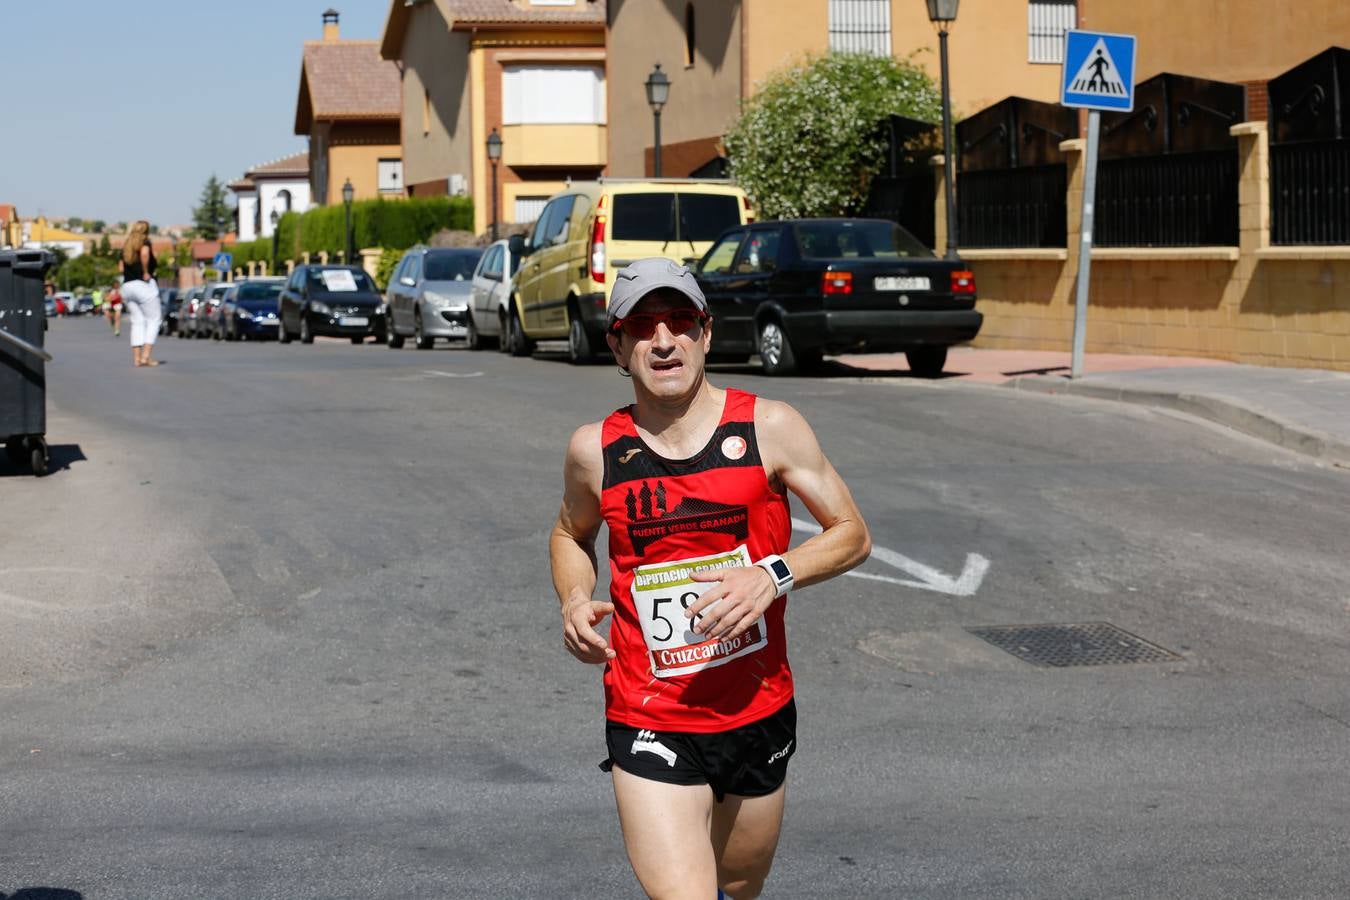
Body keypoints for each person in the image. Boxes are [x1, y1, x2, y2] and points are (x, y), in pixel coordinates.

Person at [550, 258, 872, 900]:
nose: (662, 339)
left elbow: (852, 534)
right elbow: (570, 533)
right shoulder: (596, 450)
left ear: (706, 333)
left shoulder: (769, 426)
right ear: (616, 345)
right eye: (641, 325)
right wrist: (575, 598)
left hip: (758, 707)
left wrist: (772, 574)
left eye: (679, 322)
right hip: (649, 712)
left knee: (739, 884)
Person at [118, 221, 161, 367]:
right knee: (154, 320)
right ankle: (146, 356)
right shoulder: (144, 243)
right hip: (142, 286)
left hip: (127, 286)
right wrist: (146, 271)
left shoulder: (127, 245)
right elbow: (144, 254)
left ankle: (136, 358)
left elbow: (120, 267)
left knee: (137, 321)